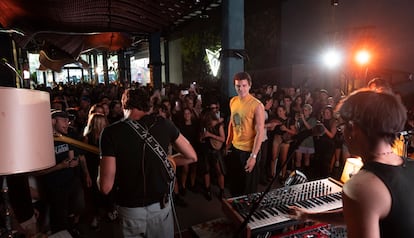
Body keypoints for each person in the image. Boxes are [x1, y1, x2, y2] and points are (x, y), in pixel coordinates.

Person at [291, 89, 413, 237]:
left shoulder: (363, 186)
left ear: (353, 128)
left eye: (342, 127)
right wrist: (309, 215)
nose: (343, 133)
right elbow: (360, 213)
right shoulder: (410, 166)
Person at [98, 88, 197, 238]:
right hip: (160, 208)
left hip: (130, 212)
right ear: (147, 105)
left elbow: (105, 187)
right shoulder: (164, 124)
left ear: (124, 106)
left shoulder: (111, 133)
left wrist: (100, 171)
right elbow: (192, 157)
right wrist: (168, 160)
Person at [225, 71, 265, 196]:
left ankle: (247, 215)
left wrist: (253, 157)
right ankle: (236, 214)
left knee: (248, 191)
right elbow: (232, 122)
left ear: (249, 85)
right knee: (235, 186)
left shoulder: (257, 105)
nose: (241, 88)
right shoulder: (233, 101)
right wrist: (228, 142)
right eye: (238, 86)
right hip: (235, 149)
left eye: (244, 85)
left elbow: (260, 132)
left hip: (249, 151)